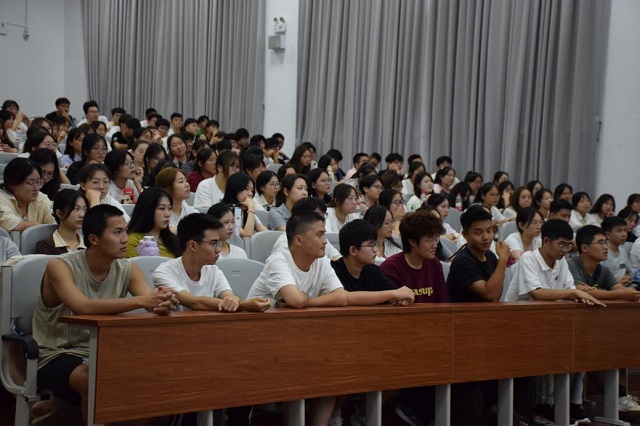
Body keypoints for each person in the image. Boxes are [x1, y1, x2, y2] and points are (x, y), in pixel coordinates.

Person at [32, 205, 178, 424]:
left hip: (103, 351)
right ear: (93, 239)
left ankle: (61, 407)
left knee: (152, 375)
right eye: (117, 232)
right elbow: (82, 306)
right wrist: (143, 301)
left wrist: (164, 301)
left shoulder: (128, 268)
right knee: (95, 379)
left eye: (125, 231)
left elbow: (151, 303)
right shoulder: (60, 266)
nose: (125, 239)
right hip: (56, 353)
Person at [247, 210, 347, 426]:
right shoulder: (278, 260)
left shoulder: (321, 261)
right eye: (319, 234)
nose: (325, 241)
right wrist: (302, 300)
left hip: (297, 337)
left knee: (334, 367)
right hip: (260, 341)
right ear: (299, 240)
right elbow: (295, 300)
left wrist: (307, 301)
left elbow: (340, 297)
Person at [504, 219, 604, 426]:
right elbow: (537, 293)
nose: (565, 250)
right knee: (553, 350)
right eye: (561, 244)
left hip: (549, 323)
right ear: (546, 241)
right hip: (518, 325)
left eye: (568, 245)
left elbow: (569, 291)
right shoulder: (529, 258)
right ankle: (545, 406)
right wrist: (574, 292)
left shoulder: (561, 262)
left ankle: (572, 404)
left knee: (580, 348)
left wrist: (577, 293)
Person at [152, 212, 269, 312]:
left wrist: (234, 300)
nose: (218, 250)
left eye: (219, 243)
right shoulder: (164, 272)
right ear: (192, 246)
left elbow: (229, 296)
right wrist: (243, 305)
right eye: (213, 243)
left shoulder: (214, 270)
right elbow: (194, 302)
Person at [331, 219, 414, 305]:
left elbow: (393, 295)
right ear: (353, 250)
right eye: (371, 245)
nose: (375, 250)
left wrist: (400, 298)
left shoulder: (374, 271)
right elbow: (344, 297)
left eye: (375, 244)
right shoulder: (332, 271)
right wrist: (392, 294)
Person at [380, 209, 450, 303]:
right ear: (412, 242)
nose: (435, 245)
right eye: (429, 240)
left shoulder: (434, 263)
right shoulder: (391, 268)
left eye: (436, 239)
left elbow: (443, 301)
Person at [446, 205, 510, 302]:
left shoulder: (490, 256)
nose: (486, 237)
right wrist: (503, 259)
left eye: (489, 231)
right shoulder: (462, 261)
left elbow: (496, 296)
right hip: (464, 311)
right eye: (478, 233)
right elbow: (490, 295)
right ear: (465, 235)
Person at [568, 225, 640, 301]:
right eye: (600, 243)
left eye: (606, 242)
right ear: (584, 248)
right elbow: (579, 291)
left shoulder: (603, 270)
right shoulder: (571, 265)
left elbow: (621, 289)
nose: (606, 247)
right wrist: (619, 294)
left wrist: (627, 292)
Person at [0, 158, 56, 232]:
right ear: (11, 184)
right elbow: (9, 223)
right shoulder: (1, 197)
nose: (36, 188)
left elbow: (55, 224)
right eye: (30, 183)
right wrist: (40, 228)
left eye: (38, 182)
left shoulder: (41, 198)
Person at [126, 187, 182, 259]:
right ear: (148, 210)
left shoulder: (173, 240)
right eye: (162, 208)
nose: (168, 214)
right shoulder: (133, 241)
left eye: (169, 208)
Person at [35, 189, 87, 255]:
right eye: (76, 209)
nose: (82, 214)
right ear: (59, 213)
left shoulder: (89, 244)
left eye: (85, 209)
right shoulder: (46, 246)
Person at [601, 217, 634, 285]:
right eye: (619, 231)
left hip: (625, 287)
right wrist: (614, 281)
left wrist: (628, 277)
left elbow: (629, 271)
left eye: (625, 230)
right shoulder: (601, 252)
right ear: (608, 235)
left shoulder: (623, 251)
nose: (624, 234)